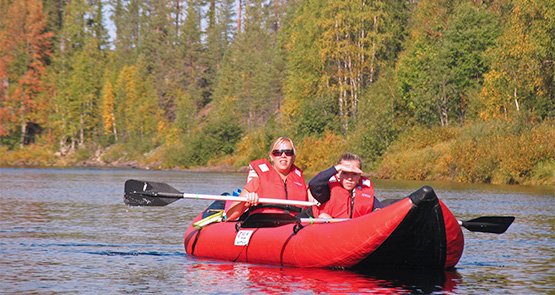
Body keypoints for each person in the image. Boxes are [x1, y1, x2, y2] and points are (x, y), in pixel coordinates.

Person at [225, 137, 310, 220]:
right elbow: (230, 215)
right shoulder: (257, 182)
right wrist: (245, 202)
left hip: (295, 227)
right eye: (278, 153)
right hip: (265, 226)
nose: (283, 155)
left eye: (288, 153)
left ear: (293, 157)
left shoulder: (304, 187)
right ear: (271, 157)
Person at [309, 153, 383, 219]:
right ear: (338, 174)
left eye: (354, 174)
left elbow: (382, 211)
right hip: (332, 228)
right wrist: (337, 168)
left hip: (356, 229)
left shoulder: (365, 191)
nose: (350, 178)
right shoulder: (327, 191)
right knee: (323, 216)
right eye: (345, 173)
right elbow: (313, 184)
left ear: (360, 176)